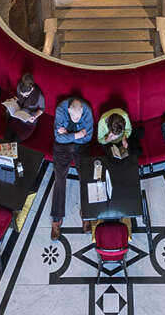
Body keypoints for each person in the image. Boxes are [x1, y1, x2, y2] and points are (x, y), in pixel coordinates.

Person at [51, 97, 94, 239]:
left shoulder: (86, 111)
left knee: (86, 177)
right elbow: (58, 138)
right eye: (74, 116)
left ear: (82, 111)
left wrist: (67, 135)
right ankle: (57, 218)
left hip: (81, 146)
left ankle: (87, 214)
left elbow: (87, 138)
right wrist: (76, 135)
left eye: (79, 116)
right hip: (63, 146)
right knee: (59, 177)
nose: (77, 119)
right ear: (69, 111)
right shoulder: (61, 110)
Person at [6, 72, 45, 138]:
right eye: (22, 94)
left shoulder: (39, 96)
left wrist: (35, 117)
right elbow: (17, 97)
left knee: (16, 140)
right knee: (7, 136)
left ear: (32, 88)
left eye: (26, 94)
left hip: (29, 121)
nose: (23, 96)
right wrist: (12, 100)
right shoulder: (19, 86)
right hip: (18, 116)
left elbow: (42, 109)